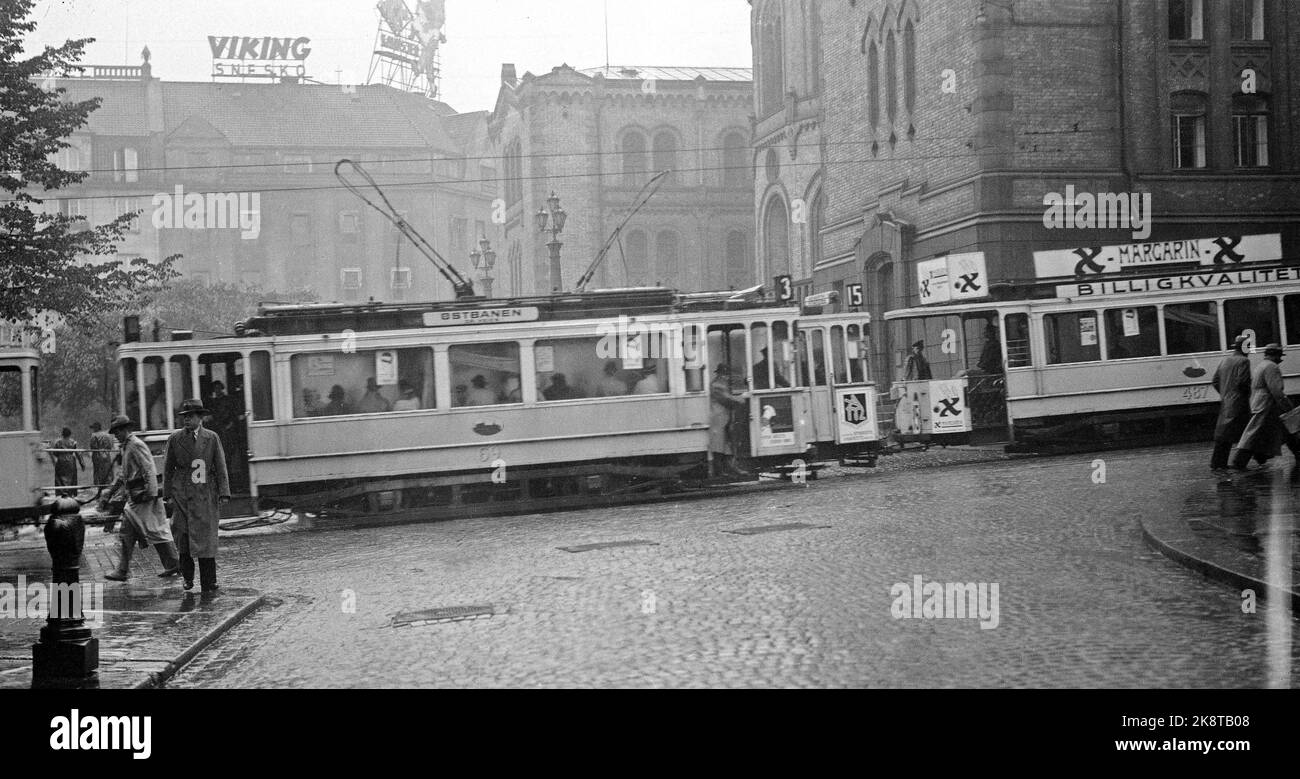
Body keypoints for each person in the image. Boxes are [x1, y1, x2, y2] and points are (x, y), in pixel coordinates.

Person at [162, 399, 232, 593]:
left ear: (200, 418)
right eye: (184, 417)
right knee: (183, 538)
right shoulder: (175, 439)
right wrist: (166, 493)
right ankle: (187, 578)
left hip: (205, 494)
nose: (186, 420)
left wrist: (224, 492)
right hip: (182, 495)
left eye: (190, 417)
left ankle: (209, 581)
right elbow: (167, 468)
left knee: (206, 539)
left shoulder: (211, 438)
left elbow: (220, 466)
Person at [101, 415, 180, 581]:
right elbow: (123, 474)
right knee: (155, 530)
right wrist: (110, 491)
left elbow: (148, 469)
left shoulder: (136, 445)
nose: (116, 435)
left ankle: (123, 570)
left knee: (130, 531)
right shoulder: (126, 447)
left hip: (143, 497)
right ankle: (173, 564)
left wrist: (151, 493)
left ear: (125, 430)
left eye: (117, 432)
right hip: (137, 497)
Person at [1231, 344, 1300, 470]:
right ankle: (1239, 462)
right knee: (1254, 434)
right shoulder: (1271, 367)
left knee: (1285, 431)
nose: (1281, 359)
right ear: (1276, 355)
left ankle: (1295, 452)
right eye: (1279, 356)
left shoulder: (1261, 365)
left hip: (1260, 403)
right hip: (1267, 405)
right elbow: (1276, 391)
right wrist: (1288, 407)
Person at [1210, 335, 1252, 471]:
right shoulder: (1244, 361)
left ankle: (1217, 463)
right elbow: (1242, 382)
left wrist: (1225, 393)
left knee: (1224, 435)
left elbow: (1215, 380)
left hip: (1226, 402)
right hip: (1239, 402)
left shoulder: (1225, 360)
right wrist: (1247, 394)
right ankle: (1241, 462)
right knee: (1250, 432)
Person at [709, 364, 750, 476]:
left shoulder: (719, 383)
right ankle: (721, 470)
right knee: (720, 445)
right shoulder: (718, 384)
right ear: (722, 374)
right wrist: (742, 397)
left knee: (725, 444)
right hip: (719, 417)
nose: (727, 377)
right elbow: (726, 398)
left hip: (722, 416)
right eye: (726, 374)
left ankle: (727, 469)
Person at [51, 427, 84, 497]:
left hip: (61, 460)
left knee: (60, 477)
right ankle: (71, 493)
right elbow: (78, 453)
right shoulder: (73, 442)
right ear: (70, 434)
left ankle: (62, 493)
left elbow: (54, 453)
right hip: (71, 460)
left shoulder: (58, 442)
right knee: (71, 478)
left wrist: (60, 456)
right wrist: (82, 463)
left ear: (62, 434)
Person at [88, 421, 116, 488]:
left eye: (93, 428)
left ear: (96, 428)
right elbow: (110, 445)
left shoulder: (94, 435)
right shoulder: (107, 435)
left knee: (97, 471)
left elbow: (92, 446)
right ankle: (108, 485)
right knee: (107, 470)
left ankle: (99, 486)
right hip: (106, 454)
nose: (93, 429)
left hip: (97, 454)